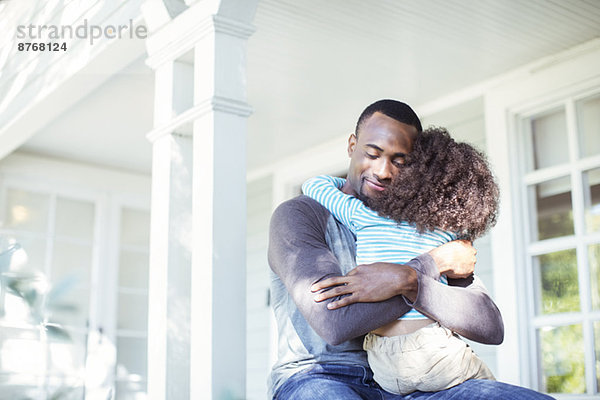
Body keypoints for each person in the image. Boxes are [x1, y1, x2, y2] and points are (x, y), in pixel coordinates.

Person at [267, 99, 555, 399]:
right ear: (352, 145)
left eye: (399, 161)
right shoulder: (299, 215)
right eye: (372, 153)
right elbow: (334, 324)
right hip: (319, 376)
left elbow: (489, 325)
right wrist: (428, 267)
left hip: (415, 385)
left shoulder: (420, 225)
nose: (383, 171)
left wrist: (410, 281)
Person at [301, 126, 498, 395]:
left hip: (383, 365)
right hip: (435, 353)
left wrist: (344, 184)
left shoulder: (363, 217)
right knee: (488, 382)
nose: (384, 172)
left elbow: (313, 185)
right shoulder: (448, 235)